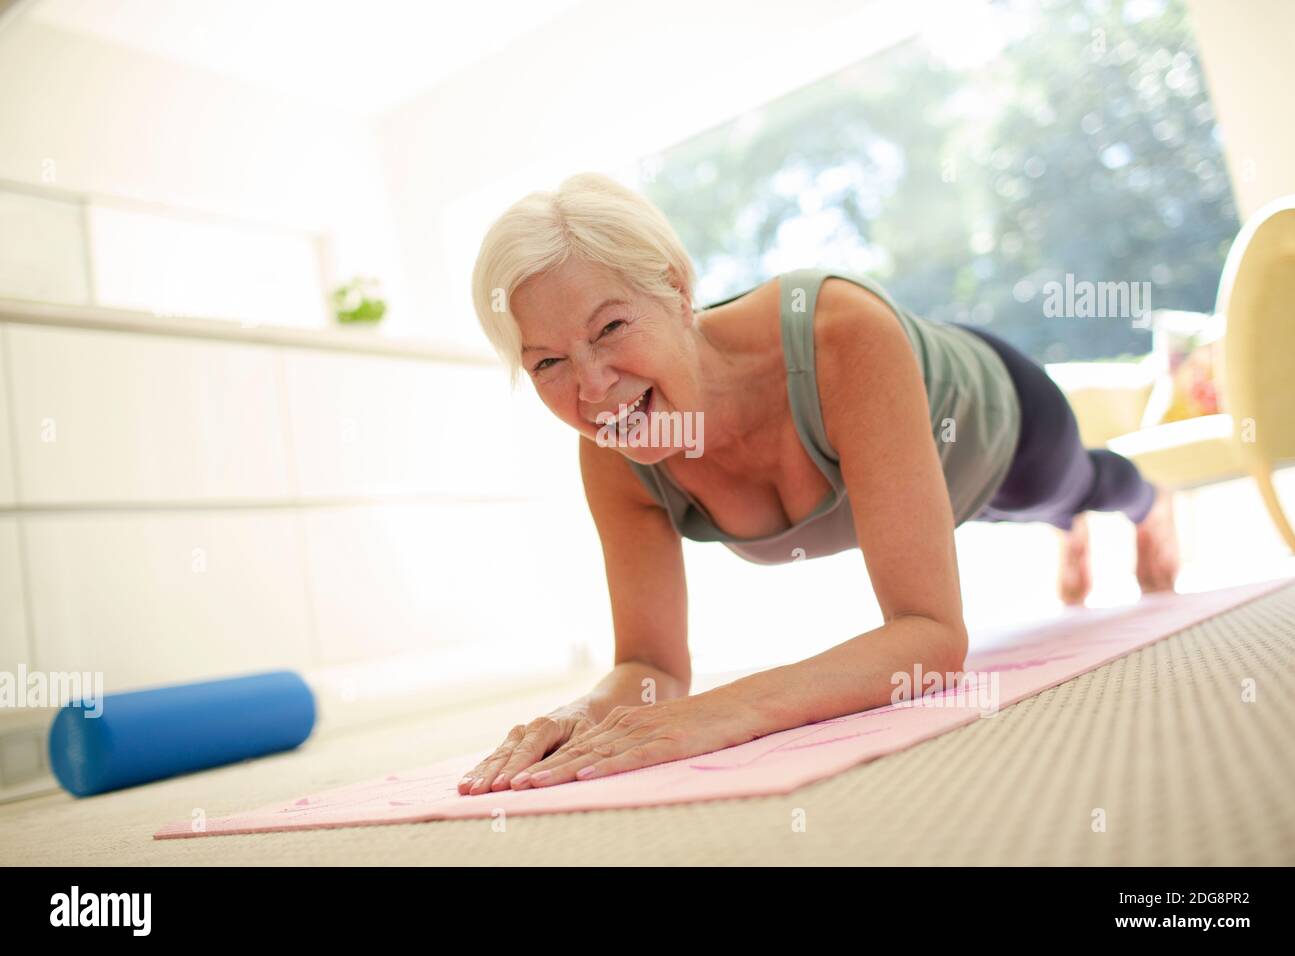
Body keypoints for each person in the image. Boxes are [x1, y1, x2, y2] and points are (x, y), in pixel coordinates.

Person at [456, 171, 1179, 795]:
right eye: (547, 363)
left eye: (610, 327)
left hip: (1001, 432)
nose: (592, 386)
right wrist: (580, 715)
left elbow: (931, 639)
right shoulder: (613, 451)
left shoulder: (839, 331)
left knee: (1074, 489)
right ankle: (1069, 527)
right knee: (1010, 516)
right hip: (912, 483)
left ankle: (1148, 505)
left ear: (677, 289)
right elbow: (649, 664)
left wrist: (721, 713)